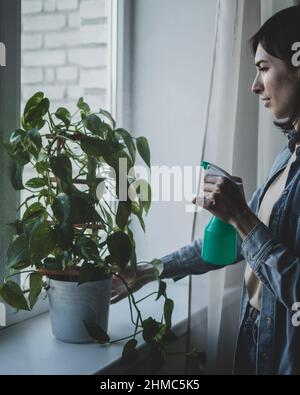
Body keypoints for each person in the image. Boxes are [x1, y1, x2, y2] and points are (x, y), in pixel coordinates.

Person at [111, 5, 300, 375]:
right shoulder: (288, 155)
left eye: (263, 68)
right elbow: (241, 239)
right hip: (258, 334)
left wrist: (242, 216)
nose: (254, 85)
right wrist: (151, 270)